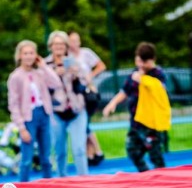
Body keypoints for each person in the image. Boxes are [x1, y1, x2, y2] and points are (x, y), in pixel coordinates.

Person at [103, 42, 171, 172]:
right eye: (139, 61)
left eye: (145, 62)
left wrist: (143, 79)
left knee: (155, 154)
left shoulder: (158, 74)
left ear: (152, 60)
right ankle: (145, 174)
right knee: (132, 150)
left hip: (152, 124)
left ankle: (161, 175)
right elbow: (125, 91)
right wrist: (112, 103)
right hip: (136, 122)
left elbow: (160, 89)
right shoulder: (134, 74)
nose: (141, 65)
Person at [7, 39, 61, 182]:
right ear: (19, 56)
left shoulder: (40, 73)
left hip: (43, 114)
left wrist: (44, 67)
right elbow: (13, 104)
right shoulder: (15, 77)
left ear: (36, 55)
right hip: (28, 118)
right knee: (27, 159)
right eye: (25, 53)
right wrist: (21, 127)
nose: (29, 56)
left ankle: (49, 185)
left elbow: (56, 83)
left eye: (31, 53)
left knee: (46, 157)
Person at [45, 31, 88, 177]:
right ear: (51, 46)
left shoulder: (74, 61)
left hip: (77, 109)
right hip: (56, 111)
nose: (59, 47)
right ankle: (62, 179)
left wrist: (76, 74)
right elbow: (42, 89)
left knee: (79, 149)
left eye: (62, 44)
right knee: (60, 151)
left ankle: (85, 180)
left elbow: (85, 84)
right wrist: (56, 74)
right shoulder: (44, 65)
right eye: (56, 44)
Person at [68, 31, 106, 166]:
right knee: (83, 124)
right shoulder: (68, 57)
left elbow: (101, 65)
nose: (74, 44)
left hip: (89, 92)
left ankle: (96, 150)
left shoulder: (86, 53)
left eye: (76, 40)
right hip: (77, 93)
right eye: (71, 41)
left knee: (85, 123)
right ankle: (90, 153)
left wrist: (91, 75)